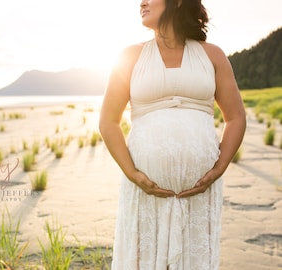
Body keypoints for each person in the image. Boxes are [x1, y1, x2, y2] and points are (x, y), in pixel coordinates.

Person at [99, 0, 246, 269]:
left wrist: (219, 167)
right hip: (144, 190)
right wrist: (133, 174)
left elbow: (235, 117)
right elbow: (108, 121)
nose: (141, 2)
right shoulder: (130, 56)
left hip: (199, 192)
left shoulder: (212, 55)